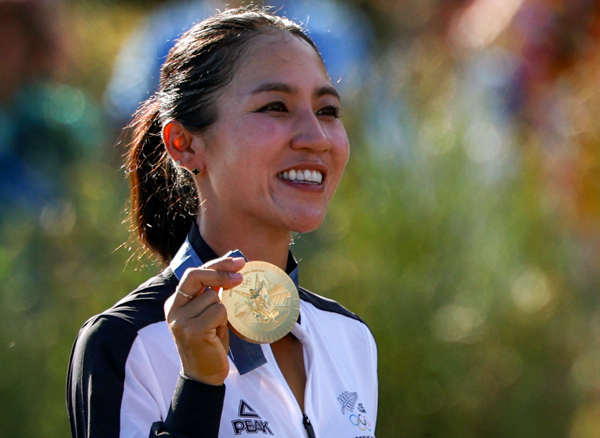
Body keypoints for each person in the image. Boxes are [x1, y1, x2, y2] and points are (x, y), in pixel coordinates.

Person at [67, 6, 378, 438]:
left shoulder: (350, 338)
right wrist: (198, 388)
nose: (316, 137)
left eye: (327, 110)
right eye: (275, 106)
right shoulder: (127, 342)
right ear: (185, 144)